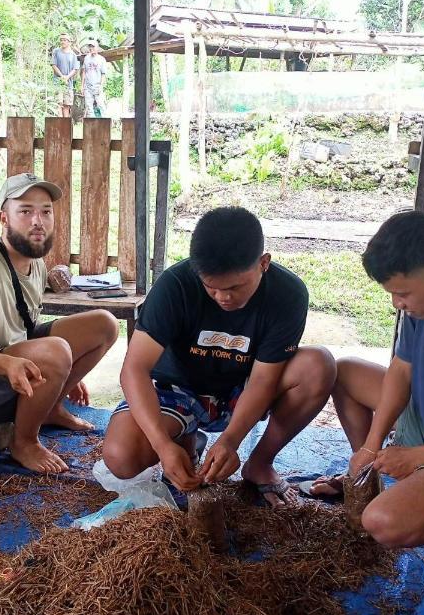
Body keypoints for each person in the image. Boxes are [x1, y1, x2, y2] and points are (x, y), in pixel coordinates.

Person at [102, 207, 336, 504]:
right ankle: (184, 438)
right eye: (210, 287)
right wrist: (161, 445)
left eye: (235, 287)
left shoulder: (287, 294)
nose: (223, 297)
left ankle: (260, 464)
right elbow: (133, 370)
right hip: (177, 389)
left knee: (318, 365)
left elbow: (264, 380)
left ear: (264, 263)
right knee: (121, 457)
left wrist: (231, 441)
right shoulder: (175, 285)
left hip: (243, 389)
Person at [307, 211, 424, 547]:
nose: (396, 303)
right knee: (344, 371)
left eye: (402, 293)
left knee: (381, 523)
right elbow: (401, 371)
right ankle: (366, 479)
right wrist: (370, 446)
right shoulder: (423, 304)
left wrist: (417, 457)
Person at [0, 173, 119, 475]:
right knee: (56, 352)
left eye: (46, 211)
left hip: (8, 362)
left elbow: (26, 328)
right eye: (26, 211)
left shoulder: (34, 261)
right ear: (4, 218)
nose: (38, 221)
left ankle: (51, 408)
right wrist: (13, 365)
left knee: (104, 324)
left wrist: (63, 374)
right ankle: (24, 442)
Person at [51, 33, 79, 119]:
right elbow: (53, 65)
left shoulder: (73, 55)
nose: (62, 42)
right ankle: (59, 122)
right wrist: (62, 76)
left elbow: (75, 69)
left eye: (64, 40)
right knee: (58, 103)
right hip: (57, 82)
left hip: (68, 83)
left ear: (69, 42)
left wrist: (67, 77)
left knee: (67, 105)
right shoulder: (56, 51)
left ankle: (65, 124)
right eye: (61, 40)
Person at [81, 38, 107, 118]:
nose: (91, 48)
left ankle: (105, 125)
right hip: (87, 86)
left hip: (97, 86)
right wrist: (82, 86)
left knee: (101, 105)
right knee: (89, 107)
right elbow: (84, 72)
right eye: (90, 46)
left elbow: (103, 74)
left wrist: (101, 86)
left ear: (97, 48)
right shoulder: (86, 58)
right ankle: (91, 127)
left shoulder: (101, 59)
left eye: (93, 46)